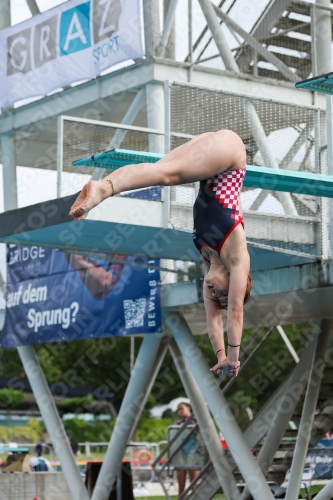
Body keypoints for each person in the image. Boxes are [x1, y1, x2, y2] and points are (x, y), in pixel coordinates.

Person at [69, 130, 251, 376]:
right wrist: (234, 358)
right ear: (232, 281)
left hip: (214, 152)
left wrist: (220, 356)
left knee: (158, 170)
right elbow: (235, 311)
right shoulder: (237, 255)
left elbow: (213, 320)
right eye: (220, 292)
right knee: (168, 175)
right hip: (230, 154)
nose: (212, 293)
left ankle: (101, 185)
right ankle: (103, 189)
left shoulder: (209, 258)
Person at [174, 401, 200, 497]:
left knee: (194, 485)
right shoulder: (178, 423)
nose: (180, 411)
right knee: (181, 487)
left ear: (188, 408)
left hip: (193, 453)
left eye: (181, 408)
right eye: (178, 410)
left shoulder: (196, 420)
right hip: (181, 454)